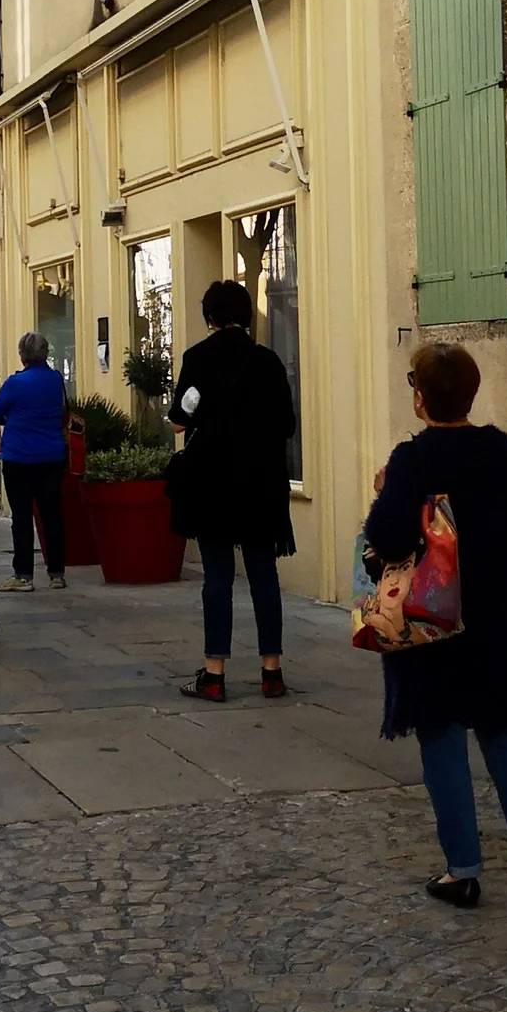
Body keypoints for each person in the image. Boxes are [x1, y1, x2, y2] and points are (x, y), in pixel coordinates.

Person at [363, 340, 507, 907]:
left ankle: (463, 869)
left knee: (442, 738)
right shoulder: (504, 453)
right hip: (492, 621)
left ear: (421, 398)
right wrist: (504, 601)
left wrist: (385, 493)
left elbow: (386, 537)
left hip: (432, 624)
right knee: (503, 731)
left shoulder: (413, 460)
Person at [166, 277, 295, 702]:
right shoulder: (269, 362)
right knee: (264, 575)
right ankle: (271, 671)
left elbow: (181, 420)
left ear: (211, 319)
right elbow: (286, 426)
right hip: (261, 481)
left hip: (213, 481)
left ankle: (214, 673)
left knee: (217, 576)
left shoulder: (198, 359)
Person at [0, 331, 70, 593]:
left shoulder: (15, 383)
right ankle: (56, 573)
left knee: (22, 517)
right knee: (51, 515)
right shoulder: (56, 379)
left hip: (19, 457)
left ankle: (23, 575)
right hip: (51, 456)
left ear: (22, 355)